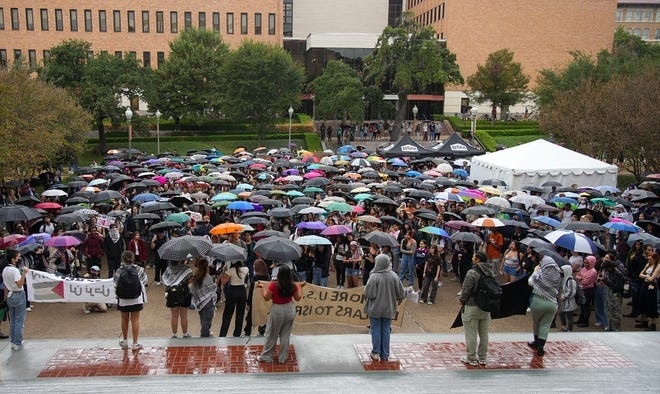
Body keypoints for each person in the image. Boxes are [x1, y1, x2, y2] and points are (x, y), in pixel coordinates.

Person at [257, 265, 305, 364]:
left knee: (272, 334)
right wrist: (300, 287)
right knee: (286, 334)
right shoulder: (293, 285)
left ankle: (267, 356)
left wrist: (262, 287)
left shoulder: (274, 285)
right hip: (290, 309)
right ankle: (283, 357)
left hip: (277, 310)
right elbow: (298, 298)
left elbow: (266, 297)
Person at [364, 253, 405, 362]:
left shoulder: (373, 276)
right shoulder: (394, 276)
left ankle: (376, 352)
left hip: (375, 308)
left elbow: (369, 294)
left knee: (376, 329)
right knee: (386, 330)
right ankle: (385, 354)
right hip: (389, 308)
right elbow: (401, 293)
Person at [458, 251, 493, 366]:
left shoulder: (472, 272)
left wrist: (462, 300)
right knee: (484, 333)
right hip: (486, 306)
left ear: (477, 259)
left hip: (472, 305)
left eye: (474, 256)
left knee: (471, 333)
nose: (472, 258)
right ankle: (482, 357)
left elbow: (466, 289)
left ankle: (471, 358)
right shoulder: (491, 272)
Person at [527, 251, 562, 357]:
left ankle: (536, 342)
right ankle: (541, 347)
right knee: (545, 325)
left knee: (536, 323)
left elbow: (530, 281)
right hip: (552, 303)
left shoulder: (540, 273)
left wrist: (535, 270)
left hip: (538, 301)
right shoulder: (557, 276)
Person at [114, 251, 147, 351]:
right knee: (135, 319)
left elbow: (115, 283)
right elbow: (145, 280)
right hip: (136, 298)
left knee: (124, 319)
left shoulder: (119, 270)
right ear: (133, 258)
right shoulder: (139, 269)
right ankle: (135, 343)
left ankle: (124, 340)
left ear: (122, 259)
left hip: (123, 298)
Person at [2, 249, 28, 351]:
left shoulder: (5, 270)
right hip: (18, 294)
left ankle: (13, 341)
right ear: (13, 259)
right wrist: (24, 273)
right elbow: (19, 284)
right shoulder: (15, 270)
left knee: (13, 320)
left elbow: (5, 285)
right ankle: (17, 341)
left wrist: (5, 296)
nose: (19, 259)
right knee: (19, 320)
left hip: (10, 294)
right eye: (18, 257)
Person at [162, 258, 193, 338]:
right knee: (184, 315)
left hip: (172, 294)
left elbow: (165, 282)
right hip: (184, 294)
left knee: (174, 315)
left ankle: (174, 334)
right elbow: (190, 282)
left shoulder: (168, 269)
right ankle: (185, 334)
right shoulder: (187, 269)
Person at [219, 260, 249, 337]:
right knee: (240, 314)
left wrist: (223, 272)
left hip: (232, 291)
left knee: (227, 314)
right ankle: (237, 334)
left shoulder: (230, 270)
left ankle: (223, 334)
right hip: (242, 291)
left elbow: (223, 282)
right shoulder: (246, 269)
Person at [189, 257, 217, 337]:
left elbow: (193, 289)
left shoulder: (196, 276)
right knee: (207, 320)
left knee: (203, 320)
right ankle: (204, 336)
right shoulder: (208, 277)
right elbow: (212, 290)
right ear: (207, 267)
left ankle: (205, 332)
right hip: (208, 302)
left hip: (200, 303)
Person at [244, 258, 270, 337]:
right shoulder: (267, 276)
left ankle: (247, 332)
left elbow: (252, 291)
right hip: (264, 299)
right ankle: (261, 331)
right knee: (263, 316)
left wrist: (248, 303)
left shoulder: (255, 277)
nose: (253, 266)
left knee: (251, 317)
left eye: (254, 265)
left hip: (255, 300)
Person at [635, 249, 659, 331]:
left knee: (651, 304)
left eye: (650, 259)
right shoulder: (648, 265)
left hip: (652, 286)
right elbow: (640, 274)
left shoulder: (658, 266)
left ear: (654, 259)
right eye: (648, 259)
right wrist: (646, 276)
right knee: (643, 302)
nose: (649, 260)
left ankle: (653, 324)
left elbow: (652, 279)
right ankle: (644, 321)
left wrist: (646, 276)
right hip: (645, 285)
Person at [575, 255, 597, 327]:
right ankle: (580, 319)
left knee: (586, 306)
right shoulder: (583, 268)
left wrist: (581, 278)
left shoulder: (593, 271)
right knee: (582, 305)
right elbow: (577, 276)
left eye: (587, 263)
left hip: (588, 290)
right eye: (584, 263)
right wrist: (581, 278)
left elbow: (586, 282)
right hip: (582, 289)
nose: (585, 264)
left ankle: (585, 321)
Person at [558, 264, 577, 332]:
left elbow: (572, 292)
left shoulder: (571, 281)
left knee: (569, 316)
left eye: (562, 271)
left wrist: (565, 296)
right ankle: (564, 327)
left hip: (569, 301)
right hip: (563, 302)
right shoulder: (564, 280)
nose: (561, 272)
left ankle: (569, 329)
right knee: (561, 313)